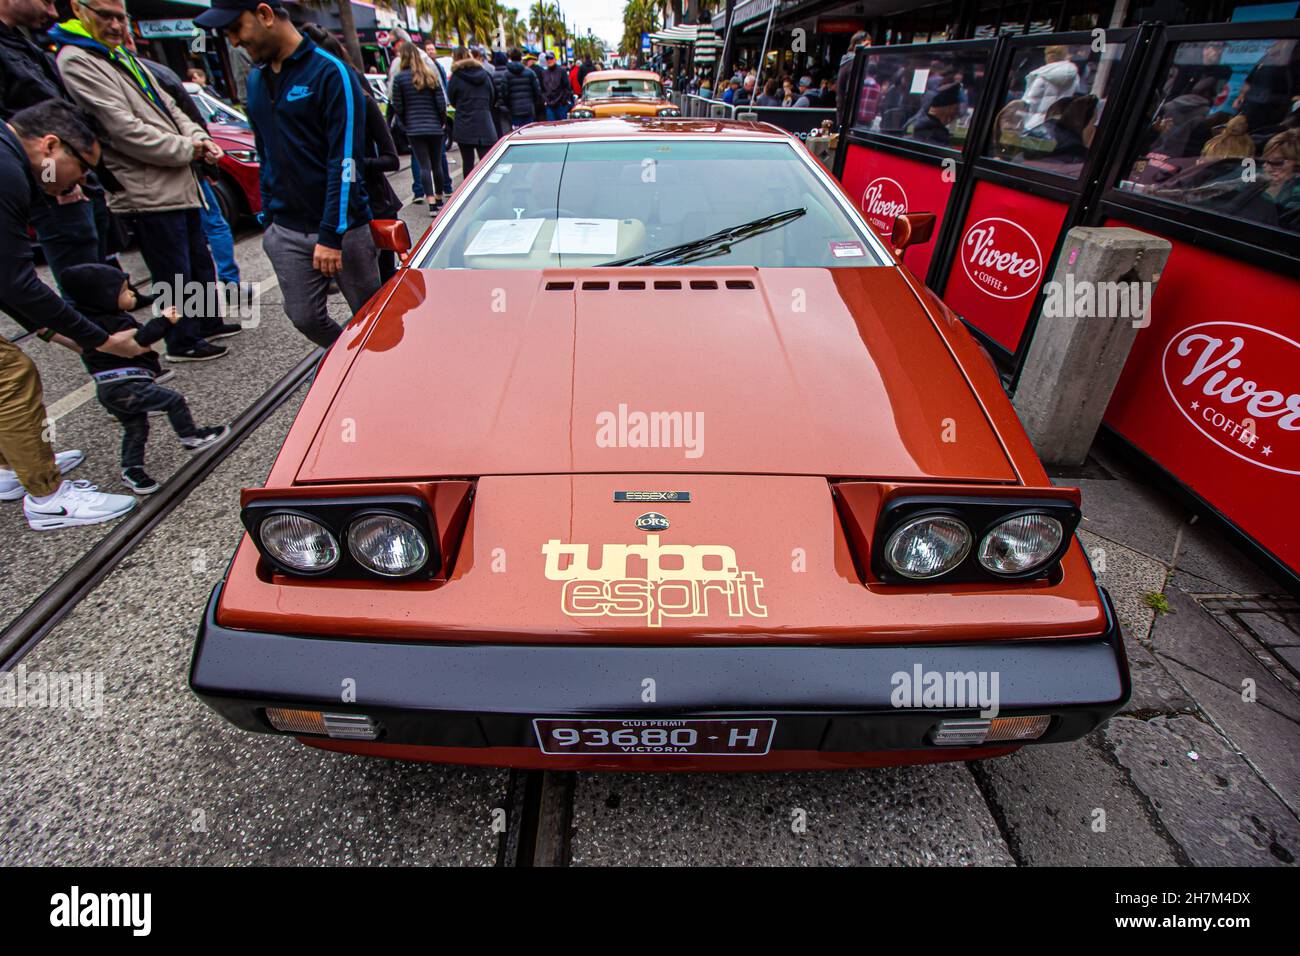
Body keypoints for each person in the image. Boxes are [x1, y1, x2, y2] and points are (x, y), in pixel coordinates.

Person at [53, 0, 236, 362]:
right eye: (106, 16)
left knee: (197, 260)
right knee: (173, 270)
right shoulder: (77, 59)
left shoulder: (119, 56)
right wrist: (190, 149)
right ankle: (182, 339)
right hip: (146, 187)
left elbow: (171, 106)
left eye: (121, 17)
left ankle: (205, 321)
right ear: (79, 9)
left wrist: (199, 139)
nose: (117, 25)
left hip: (179, 180)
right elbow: (123, 130)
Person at [199, 0, 380, 350]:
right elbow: (264, 152)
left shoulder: (331, 73)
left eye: (237, 29)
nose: (235, 42)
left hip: (344, 230)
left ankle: (374, 374)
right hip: (285, 228)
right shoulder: (256, 80)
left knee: (370, 318)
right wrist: (269, 218)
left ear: (265, 14)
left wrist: (331, 234)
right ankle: (348, 362)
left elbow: (345, 160)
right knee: (304, 316)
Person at [1, 100, 141, 529]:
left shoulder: (11, 161)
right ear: (50, 146)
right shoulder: (7, 172)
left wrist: (49, 330)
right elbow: (14, 281)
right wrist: (98, 339)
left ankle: (12, 469)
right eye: (81, 166)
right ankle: (48, 497)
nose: (82, 179)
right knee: (10, 374)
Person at [61, 263, 229, 494]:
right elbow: (139, 341)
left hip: (109, 389)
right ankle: (190, 437)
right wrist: (164, 321)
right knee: (173, 400)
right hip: (126, 385)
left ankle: (131, 470)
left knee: (135, 427)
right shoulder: (112, 323)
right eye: (124, 291)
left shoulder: (89, 324)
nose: (132, 293)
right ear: (104, 298)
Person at [0, 0, 119, 290]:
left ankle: (107, 319)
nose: (53, 12)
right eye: (48, 1)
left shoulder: (19, 42)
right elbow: (18, 136)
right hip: (55, 184)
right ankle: (97, 330)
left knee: (94, 254)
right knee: (80, 266)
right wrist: (58, 185)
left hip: (70, 177)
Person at [126, 33, 243, 291]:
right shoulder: (153, 73)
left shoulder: (149, 74)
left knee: (187, 249)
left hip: (176, 174)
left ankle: (204, 314)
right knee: (191, 245)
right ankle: (211, 306)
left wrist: (198, 153)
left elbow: (185, 117)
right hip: (169, 177)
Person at [300, 23, 401, 281]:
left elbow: (391, 159)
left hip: (374, 204)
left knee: (383, 282)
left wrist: (349, 164)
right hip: (332, 207)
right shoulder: (309, 106)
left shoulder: (362, 100)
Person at [392, 41, 448, 213]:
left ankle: (430, 200)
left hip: (414, 128)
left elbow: (398, 106)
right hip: (433, 126)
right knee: (437, 164)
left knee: (424, 165)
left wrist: (405, 124)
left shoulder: (400, 78)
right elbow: (441, 104)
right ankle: (439, 197)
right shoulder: (430, 75)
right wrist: (441, 122)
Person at [446, 45, 498, 176]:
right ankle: (491, 192)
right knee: (487, 163)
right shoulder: (485, 74)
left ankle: (470, 194)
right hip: (484, 121)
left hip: (464, 122)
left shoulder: (456, 77)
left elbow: (451, 99)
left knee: (467, 163)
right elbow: (493, 96)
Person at [1023, 46, 1079, 130]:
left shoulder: (1042, 75)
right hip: (1057, 124)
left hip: (1035, 124)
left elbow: (1031, 100)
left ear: (1048, 56)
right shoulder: (1074, 75)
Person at [836, 29, 870, 132]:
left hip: (845, 117)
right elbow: (850, 92)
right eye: (867, 44)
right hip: (850, 119)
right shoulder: (854, 63)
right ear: (857, 45)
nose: (870, 47)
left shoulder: (848, 61)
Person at [499, 47, 541, 129]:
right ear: (520, 58)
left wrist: (509, 106)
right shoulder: (530, 73)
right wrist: (533, 104)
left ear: (510, 58)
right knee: (529, 133)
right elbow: (537, 91)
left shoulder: (506, 75)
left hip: (514, 110)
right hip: (528, 108)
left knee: (517, 132)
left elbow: (504, 94)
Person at [539, 51, 572, 121]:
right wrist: (545, 100)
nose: (549, 60)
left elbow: (567, 87)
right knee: (551, 126)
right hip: (549, 105)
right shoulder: (544, 73)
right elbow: (542, 89)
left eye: (551, 58)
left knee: (562, 126)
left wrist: (564, 100)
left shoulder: (562, 71)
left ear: (555, 59)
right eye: (547, 59)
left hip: (561, 105)